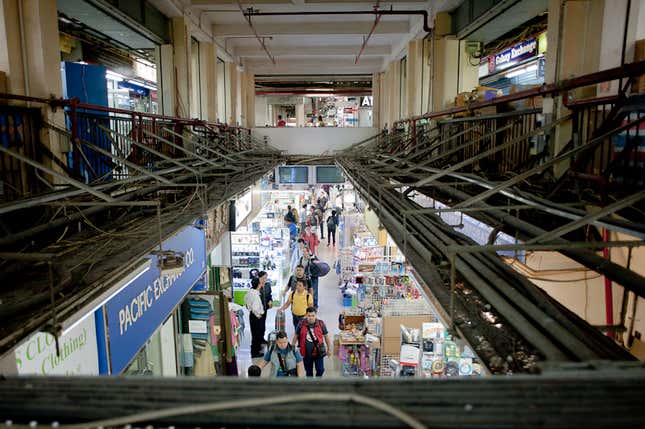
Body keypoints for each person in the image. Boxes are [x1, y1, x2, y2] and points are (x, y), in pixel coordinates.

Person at [293, 307, 331, 377]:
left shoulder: (321, 323)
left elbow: (326, 336)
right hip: (306, 352)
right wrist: (292, 348)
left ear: (315, 315)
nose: (311, 318)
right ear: (306, 315)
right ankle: (310, 385)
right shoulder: (301, 324)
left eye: (313, 316)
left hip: (318, 351)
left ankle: (317, 382)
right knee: (308, 371)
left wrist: (329, 349)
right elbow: (296, 335)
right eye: (309, 316)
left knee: (320, 369)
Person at [244, 278, 265, 358]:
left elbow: (245, 299)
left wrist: (248, 307)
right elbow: (255, 308)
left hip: (251, 316)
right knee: (257, 334)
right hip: (256, 317)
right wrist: (258, 315)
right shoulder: (255, 295)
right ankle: (255, 352)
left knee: (254, 334)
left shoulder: (250, 292)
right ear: (258, 285)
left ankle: (254, 349)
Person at [258, 270, 272, 346]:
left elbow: (269, 295)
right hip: (257, 310)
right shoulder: (256, 286)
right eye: (263, 278)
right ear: (259, 278)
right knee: (258, 326)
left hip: (265, 309)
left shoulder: (268, 285)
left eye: (266, 278)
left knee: (263, 324)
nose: (264, 280)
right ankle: (258, 340)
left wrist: (270, 301)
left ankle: (262, 338)